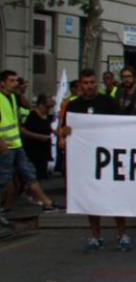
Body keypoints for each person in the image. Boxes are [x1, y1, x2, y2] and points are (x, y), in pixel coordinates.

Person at [60, 69, 129, 252]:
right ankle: (95, 236)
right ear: (80, 85)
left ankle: (122, 234)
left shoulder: (108, 102)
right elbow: (63, 132)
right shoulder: (73, 106)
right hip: (86, 160)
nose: (89, 86)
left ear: (96, 84)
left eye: (92, 82)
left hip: (108, 158)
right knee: (90, 198)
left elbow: (124, 125)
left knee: (115, 196)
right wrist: (64, 133)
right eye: (85, 83)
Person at [0, 72, 61, 213]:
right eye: (12, 80)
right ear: (2, 83)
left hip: (16, 145)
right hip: (5, 146)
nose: (16, 83)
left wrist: (20, 93)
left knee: (29, 173)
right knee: (4, 178)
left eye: (16, 80)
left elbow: (23, 110)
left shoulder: (13, 98)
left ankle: (47, 202)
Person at [20, 94, 54, 181]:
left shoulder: (47, 116)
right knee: (32, 175)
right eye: (47, 107)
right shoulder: (32, 116)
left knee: (41, 175)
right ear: (40, 105)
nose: (49, 110)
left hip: (44, 151)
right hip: (33, 150)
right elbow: (23, 131)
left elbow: (48, 128)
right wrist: (39, 137)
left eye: (51, 107)